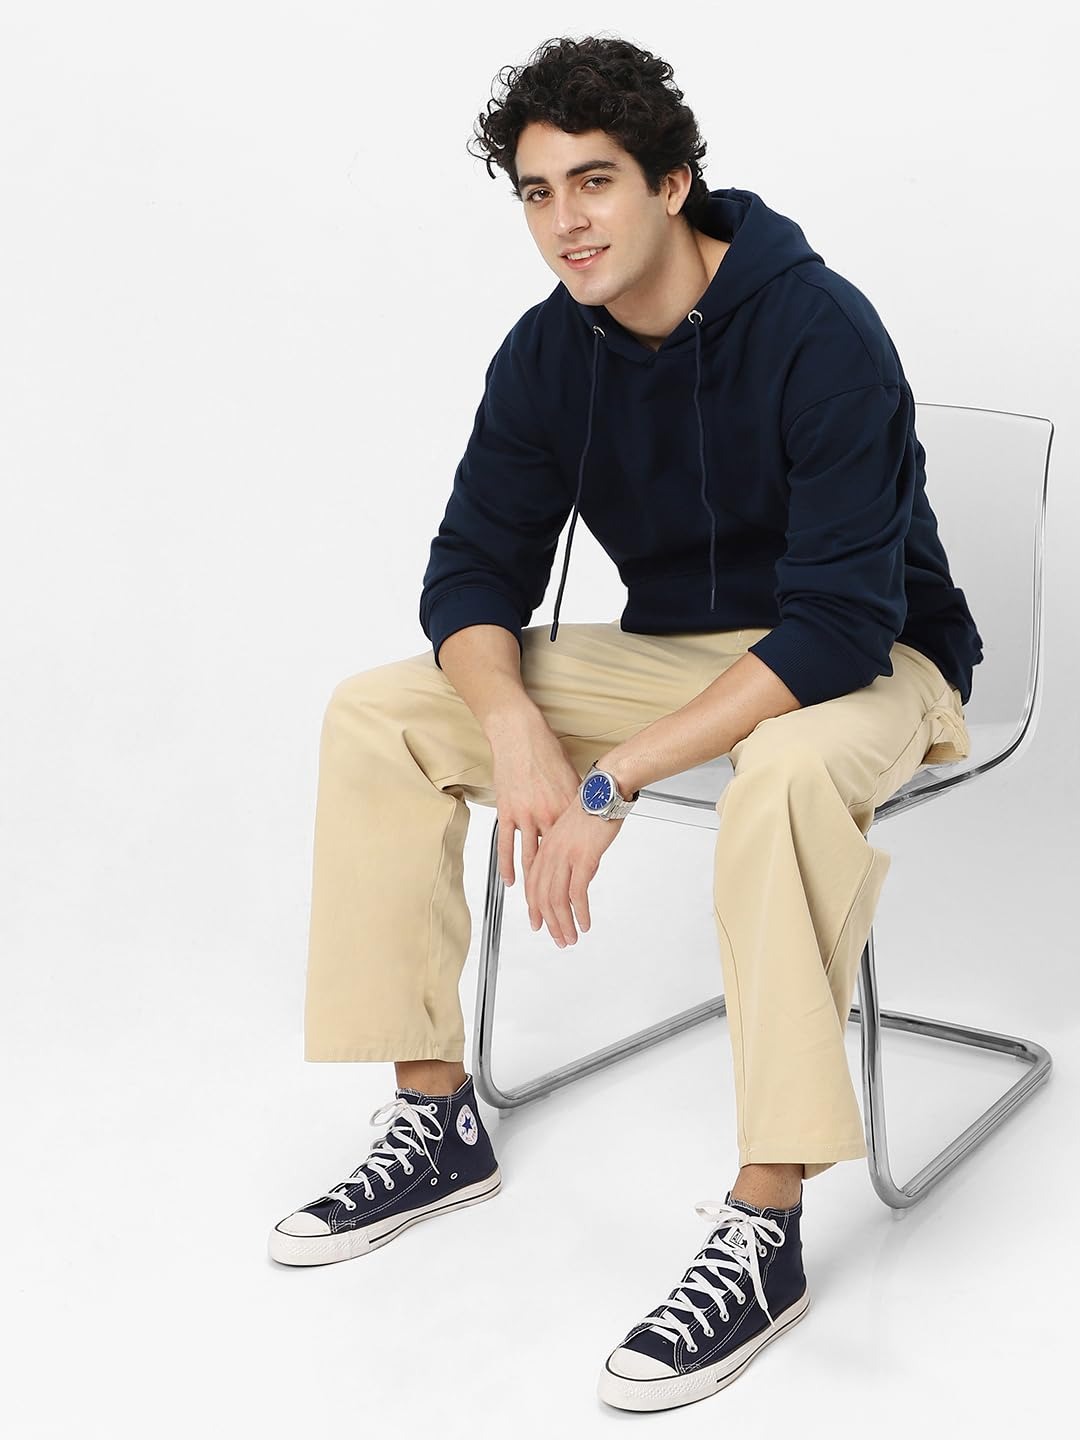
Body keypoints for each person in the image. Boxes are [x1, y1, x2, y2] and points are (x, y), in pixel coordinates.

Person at [268, 35, 982, 1413]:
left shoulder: (821, 330)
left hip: (869, 656)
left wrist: (612, 783)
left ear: (671, 184)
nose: (566, 222)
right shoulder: (551, 352)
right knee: (380, 715)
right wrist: (515, 728)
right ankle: (436, 1117)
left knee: (783, 775)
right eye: (537, 193)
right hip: (675, 658)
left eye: (593, 182)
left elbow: (838, 623)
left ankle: (765, 1221)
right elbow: (470, 573)